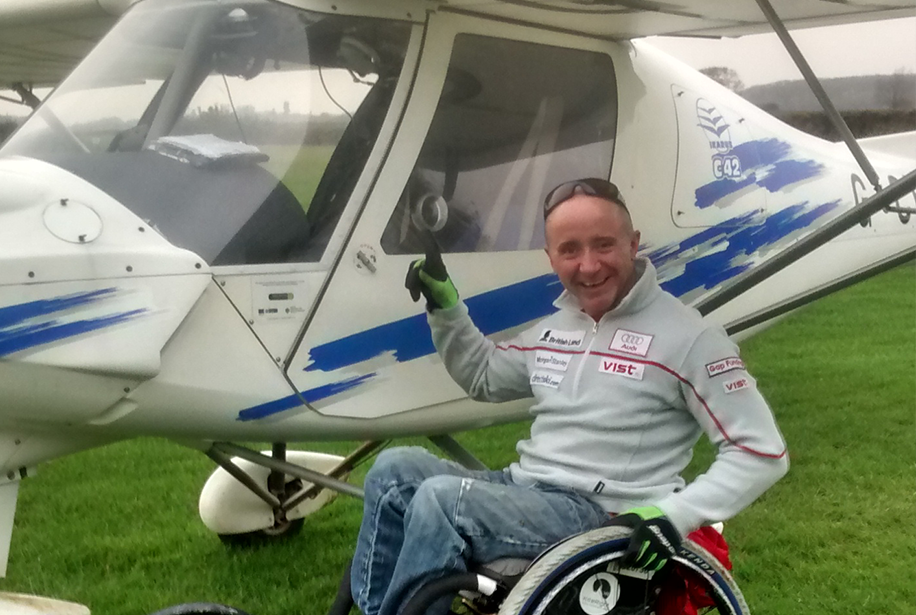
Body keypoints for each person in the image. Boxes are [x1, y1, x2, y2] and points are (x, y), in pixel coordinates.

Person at [350, 178, 788, 615]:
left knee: (442, 502)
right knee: (393, 473)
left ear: (634, 244)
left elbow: (761, 450)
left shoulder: (692, 338)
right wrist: (446, 308)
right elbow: (484, 375)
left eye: (603, 245)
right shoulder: (558, 328)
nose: (589, 265)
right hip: (527, 489)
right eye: (570, 250)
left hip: (601, 513)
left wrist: (677, 514)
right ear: (551, 258)